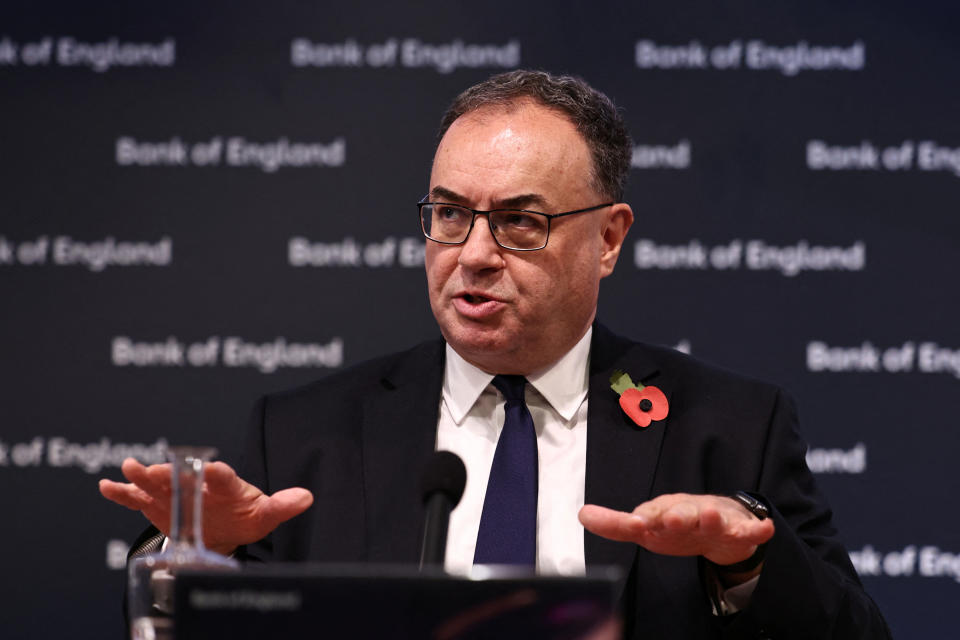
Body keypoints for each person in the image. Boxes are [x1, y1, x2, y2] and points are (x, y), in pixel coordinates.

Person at [100, 70, 891, 638]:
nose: (473, 253)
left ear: (608, 238)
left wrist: (745, 561)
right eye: (449, 214)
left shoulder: (729, 427)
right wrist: (197, 550)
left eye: (519, 221)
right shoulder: (306, 434)